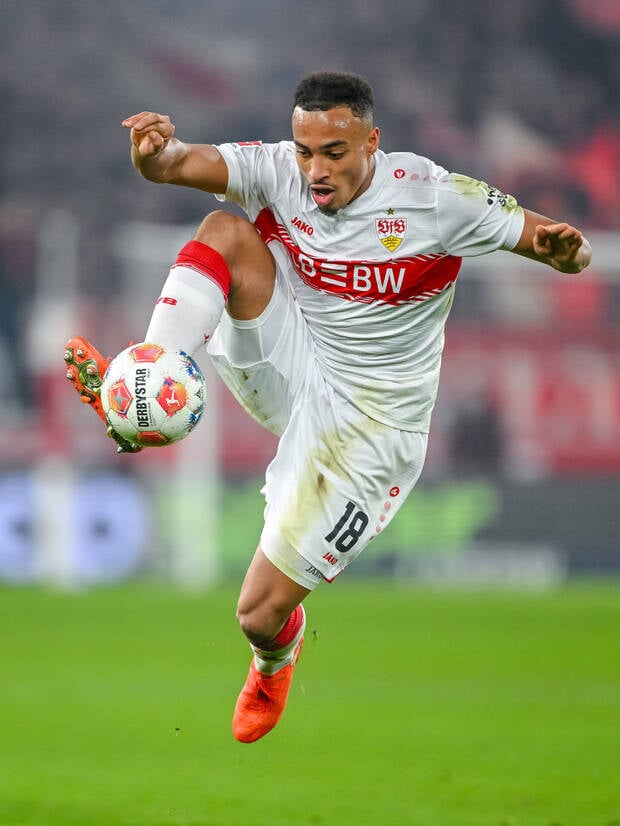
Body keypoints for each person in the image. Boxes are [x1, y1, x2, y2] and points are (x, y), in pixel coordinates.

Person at [64, 71, 592, 743]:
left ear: (371, 142)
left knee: (256, 614)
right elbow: (174, 164)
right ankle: (145, 385)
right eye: (305, 150)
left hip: (372, 427)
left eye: (334, 153)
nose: (314, 169)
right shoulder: (277, 171)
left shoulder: (435, 198)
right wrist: (153, 153)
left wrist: (565, 253)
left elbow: (561, 244)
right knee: (225, 230)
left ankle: (274, 656)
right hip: (296, 363)